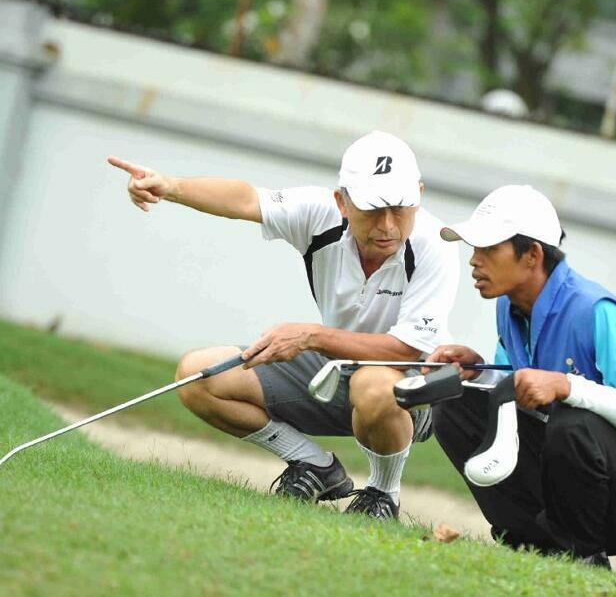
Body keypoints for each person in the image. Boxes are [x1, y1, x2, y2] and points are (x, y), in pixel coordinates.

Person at [108, 131, 459, 519]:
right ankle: (315, 466)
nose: (388, 225)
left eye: (400, 207)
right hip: (335, 367)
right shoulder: (319, 214)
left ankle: (382, 494)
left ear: (419, 195)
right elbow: (244, 199)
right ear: (342, 202)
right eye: (373, 209)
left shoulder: (435, 245)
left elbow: (406, 350)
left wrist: (311, 336)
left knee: (372, 384)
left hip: (408, 384)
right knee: (197, 376)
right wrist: (170, 186)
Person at [426, 185, 616, 565]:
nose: (474, 260)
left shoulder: (595, 311)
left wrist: (568, 386)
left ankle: (583, 556)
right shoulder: (509, 305)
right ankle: (530, 540)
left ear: (532, 255)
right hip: (577, 485)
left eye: (488, 249)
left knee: (574, 422)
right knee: (456, 404)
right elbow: (516, 398)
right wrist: (481, 371)